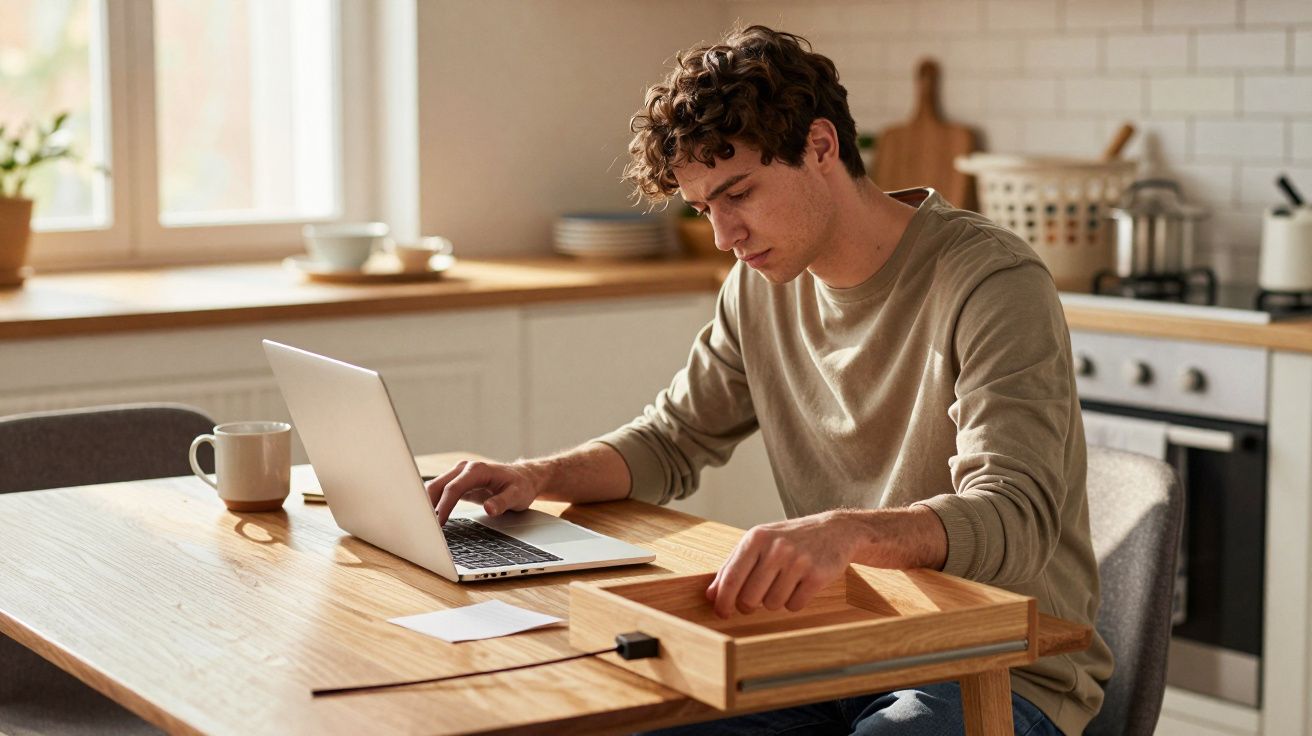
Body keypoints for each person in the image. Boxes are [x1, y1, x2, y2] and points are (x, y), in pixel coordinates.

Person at [427, 25, 1111, 736]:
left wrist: (841, 535)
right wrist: (538, 475)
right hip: (834, 642)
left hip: (996, 667)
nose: (725, 235)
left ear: (820, 147)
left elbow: (1016, 516)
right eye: (703, 209)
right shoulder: (759, 286)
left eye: (739, 194)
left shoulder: (990, 281)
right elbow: (671, 441)